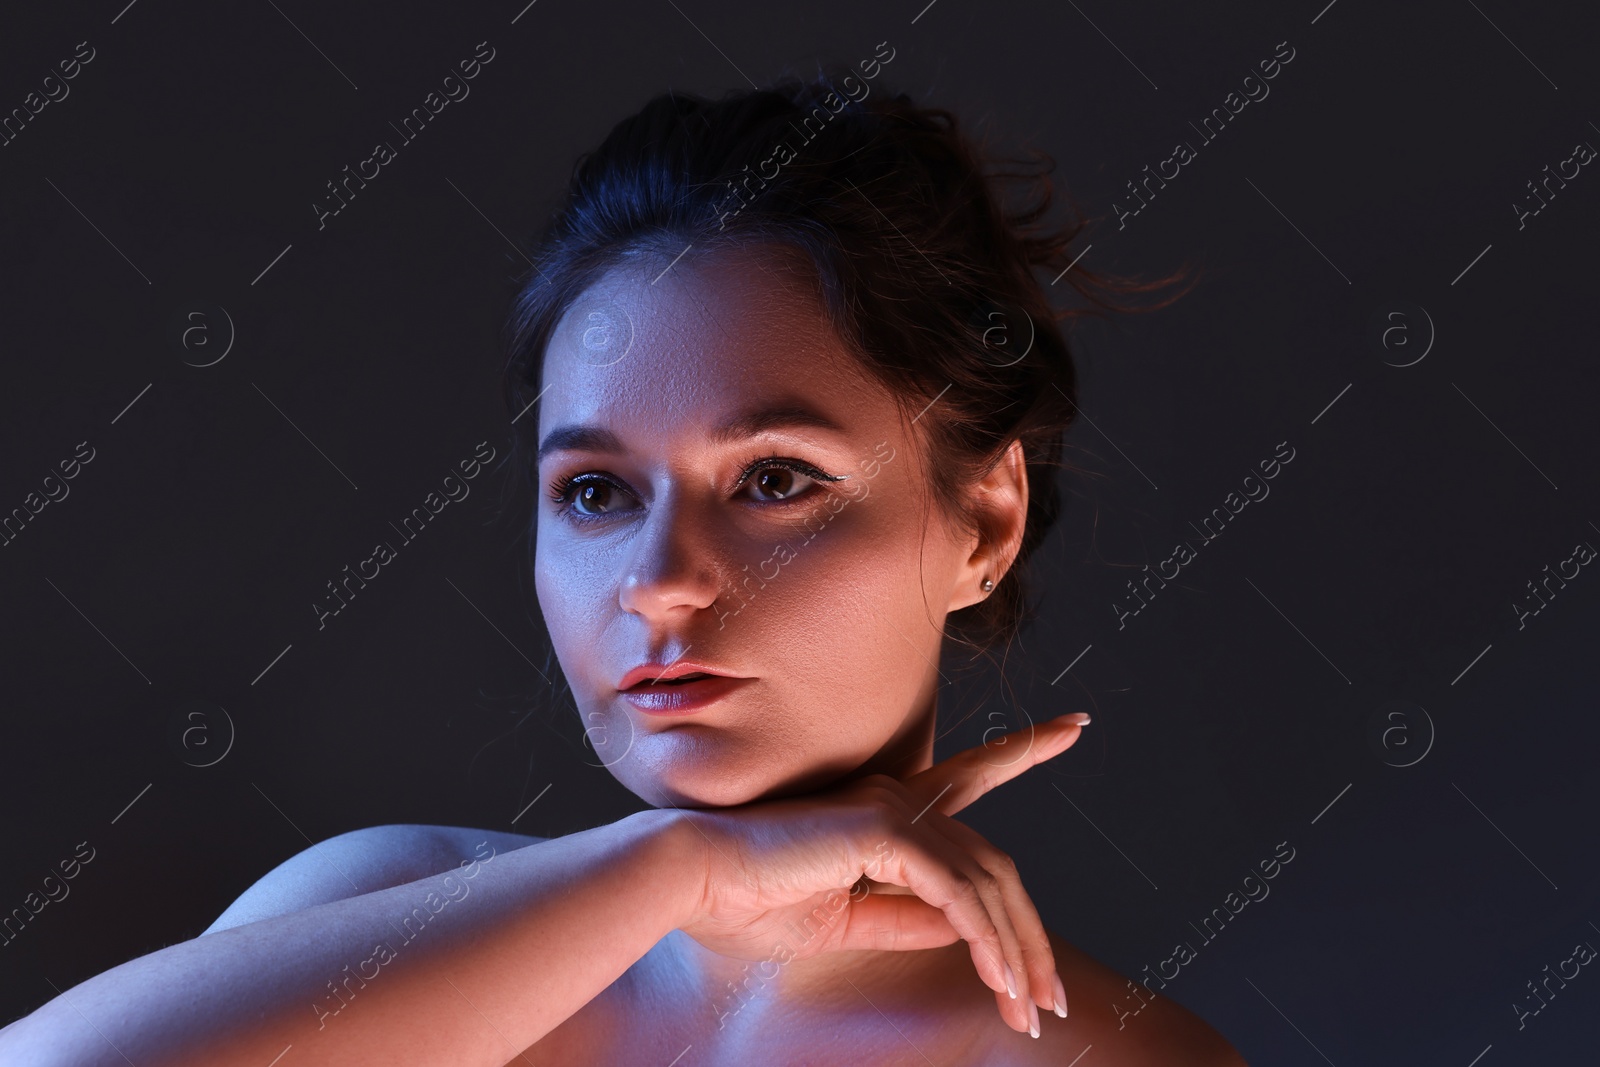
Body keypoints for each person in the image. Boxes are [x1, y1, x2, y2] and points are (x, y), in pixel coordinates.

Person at [0, 72, 1240, 1066]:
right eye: (595, 491)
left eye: (773, 480)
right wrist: (677, 870)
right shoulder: (387, 908)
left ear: (982, 517)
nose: (659, 580)